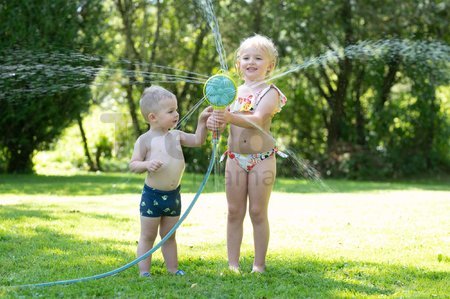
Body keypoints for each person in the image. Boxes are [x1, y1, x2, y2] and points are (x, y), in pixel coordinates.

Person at [207, 34, 287, 273]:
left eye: (258, 58)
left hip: (261, 159)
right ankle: (233, 264)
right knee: (234, 211)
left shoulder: (270, 92)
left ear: (270, 66)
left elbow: (259, 120)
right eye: (246, 57)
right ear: (238, 64)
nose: (251, 62)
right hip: (234, 159)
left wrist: (229, 116)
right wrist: (215, 122)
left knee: (257, 211)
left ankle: (258, 265)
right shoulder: (232, 92)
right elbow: (223, 122)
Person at [130, 85, 212, 277]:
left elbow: (198, 141)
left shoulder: (176, 135)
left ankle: (173, 269)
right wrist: (147, 164)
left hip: (173, 196)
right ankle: (144, 271)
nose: (177, 114)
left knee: (169, 236)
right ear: (153, 117)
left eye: (176, 109)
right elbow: (133, 164)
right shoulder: (145, 140)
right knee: (148, 236)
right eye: (171, 111)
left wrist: (202, 122)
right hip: (153, 197)